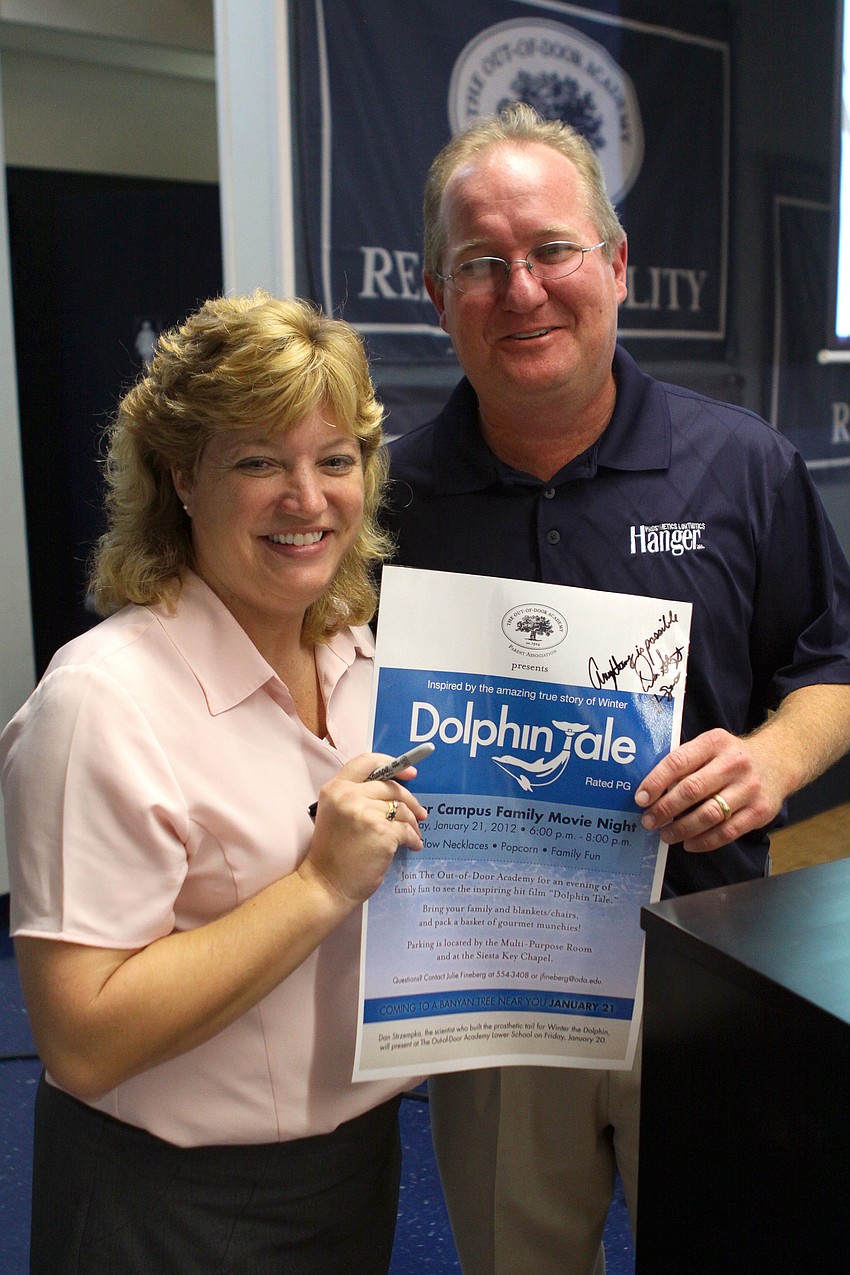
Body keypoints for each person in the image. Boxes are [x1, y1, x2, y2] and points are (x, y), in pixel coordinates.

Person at [383, 103, 850, 1275]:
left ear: (616, 264)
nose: (521, 290)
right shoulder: (386, 502)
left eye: (551, 250)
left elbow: (833, 663)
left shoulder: (740, 465)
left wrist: (773, 758)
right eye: (480, 264)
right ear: (437, 296)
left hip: (706, 961)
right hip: (491, 985)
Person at [0, 291, 429, 1275]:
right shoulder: (101, 703)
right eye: (259, 463)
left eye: (334, 460)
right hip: (168, 1202)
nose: (306, 498)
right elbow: (82, 1038)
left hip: (354, 1168)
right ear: (182, 477)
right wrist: (318, 885)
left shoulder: (365, 661)